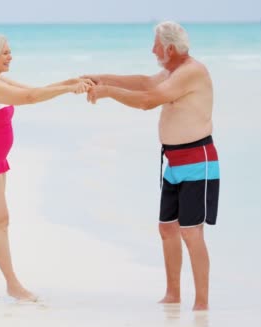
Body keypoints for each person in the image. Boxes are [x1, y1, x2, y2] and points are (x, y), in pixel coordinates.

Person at [83, 21, 219, 311]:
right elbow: (145, 83)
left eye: (155, 44)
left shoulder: (191, 72)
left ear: (169, 48)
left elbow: (147, 100)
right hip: (173, 161)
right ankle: (173, 295)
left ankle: (202, 303)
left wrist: (106, 92)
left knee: (191, 232)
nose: (152, 49)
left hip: (198, 161)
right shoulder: (171, 72)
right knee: (167, 228)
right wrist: (99, 78)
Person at [0, 33, 92, 301]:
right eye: (6, 52)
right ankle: (13, 285)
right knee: (0, 220)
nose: (11, 56)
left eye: (10, 51)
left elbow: (35, 89)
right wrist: (67, 89)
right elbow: (30, 98)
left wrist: (72, 82)